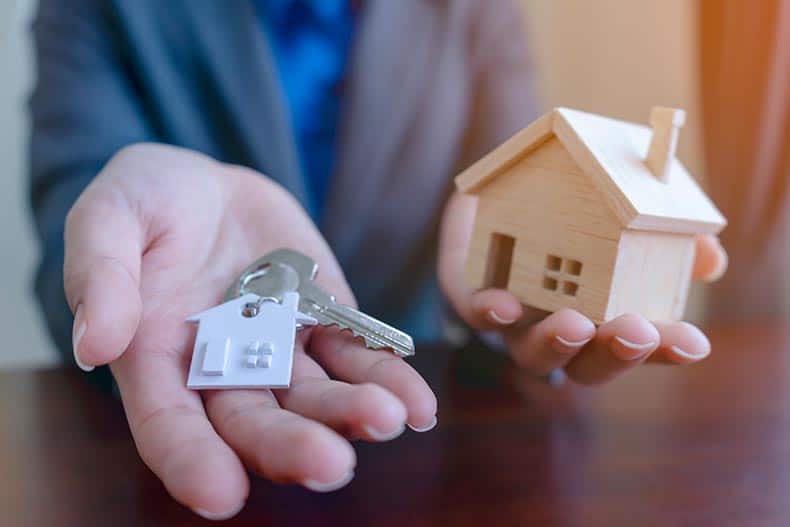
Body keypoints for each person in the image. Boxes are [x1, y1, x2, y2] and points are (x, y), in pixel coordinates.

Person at [29, 0, 727, 520]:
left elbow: (513, 183)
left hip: (417, 442)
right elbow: (74, 212)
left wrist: (510, 310)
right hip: (152, 449)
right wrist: (108, 273)